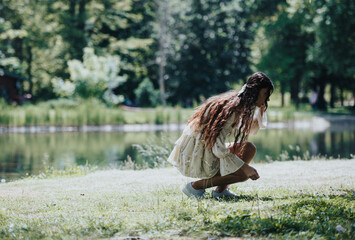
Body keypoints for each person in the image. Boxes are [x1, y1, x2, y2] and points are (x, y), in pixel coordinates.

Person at [167, 72, 274, 199]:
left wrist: (260, 111)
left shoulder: (241, 103)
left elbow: (250, 130)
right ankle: (194, 187)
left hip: (208, 149)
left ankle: (220, 192)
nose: (267, 99)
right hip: (198, 154)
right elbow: (218, 148)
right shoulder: (233, 108)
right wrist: (245, 167)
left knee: (249, 148)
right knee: (242, 174)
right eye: (266, 94)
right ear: (256, 91)